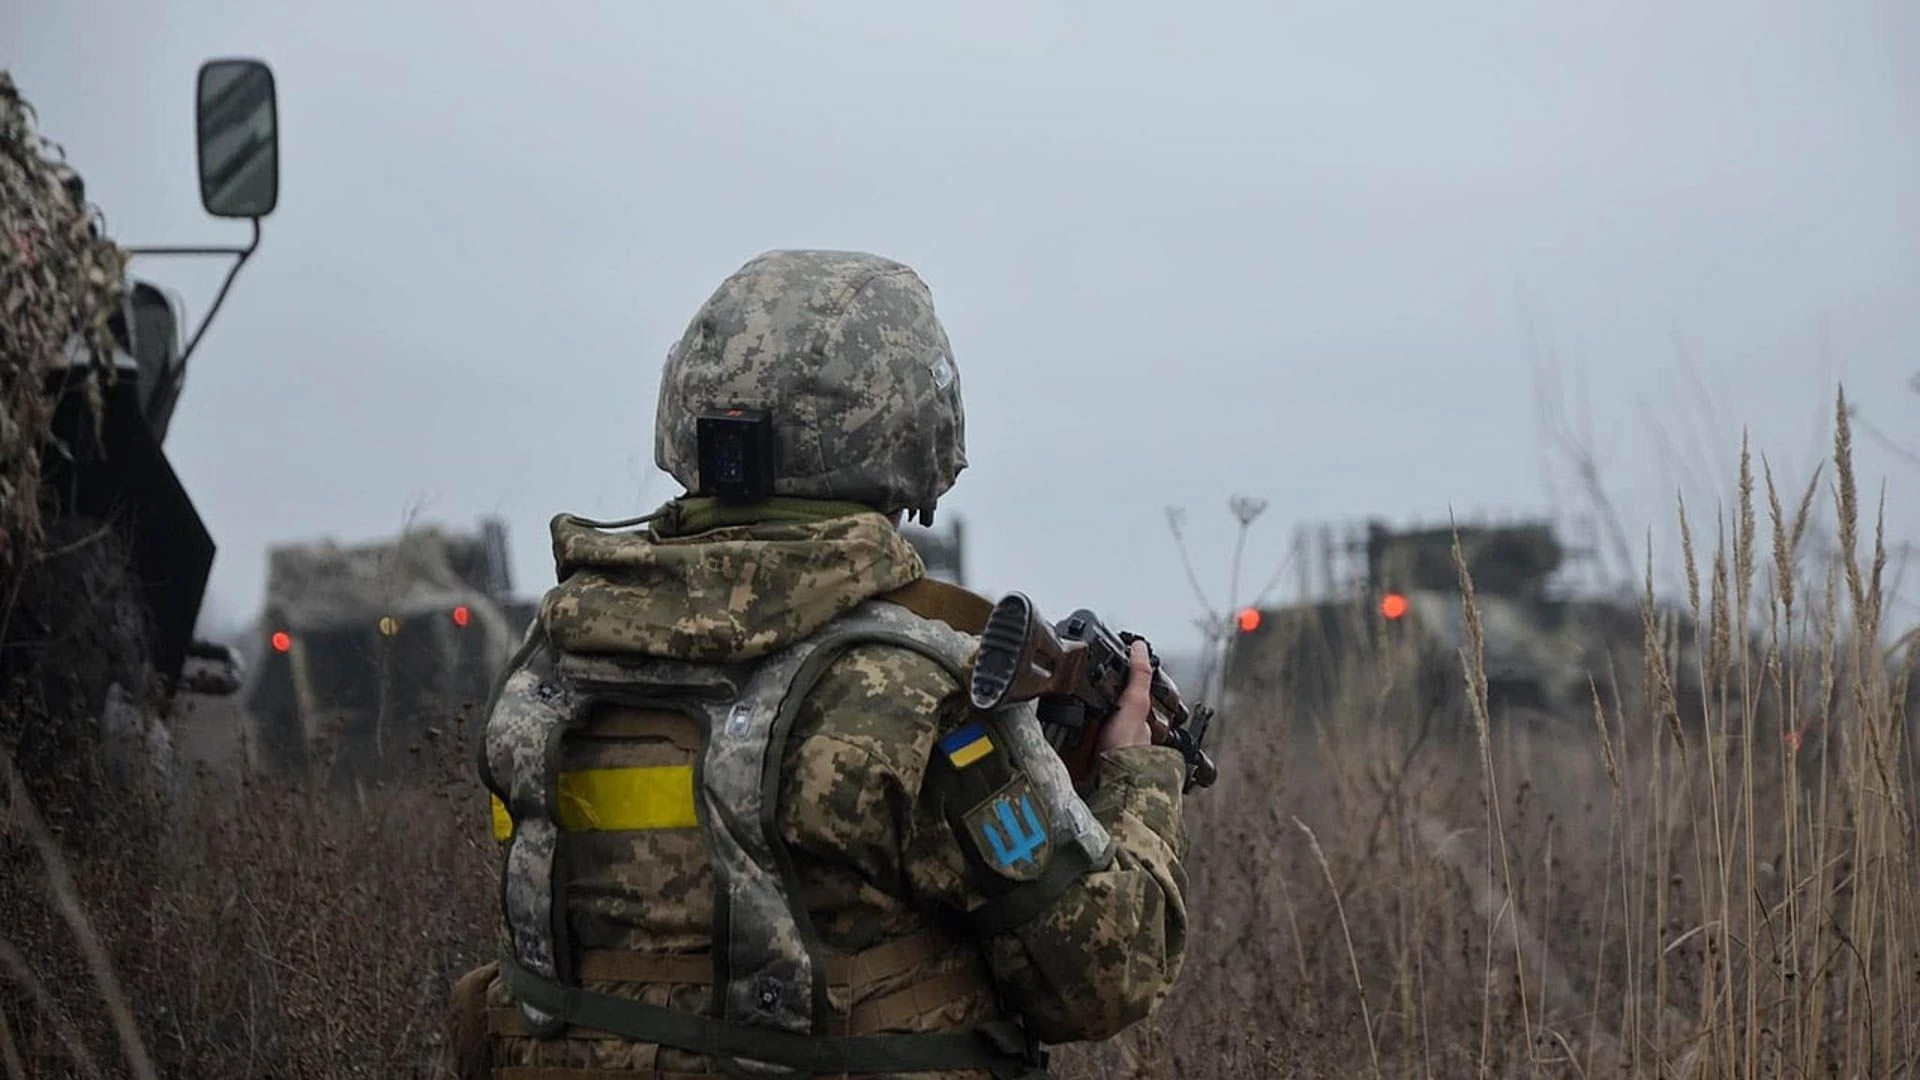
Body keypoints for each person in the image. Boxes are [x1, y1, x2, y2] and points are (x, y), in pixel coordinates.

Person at [449, 249, 1191, 1080]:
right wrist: (1138, 778)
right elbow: (1103, 978)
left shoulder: (555, 661)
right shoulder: (914, 696)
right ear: (914, 432)